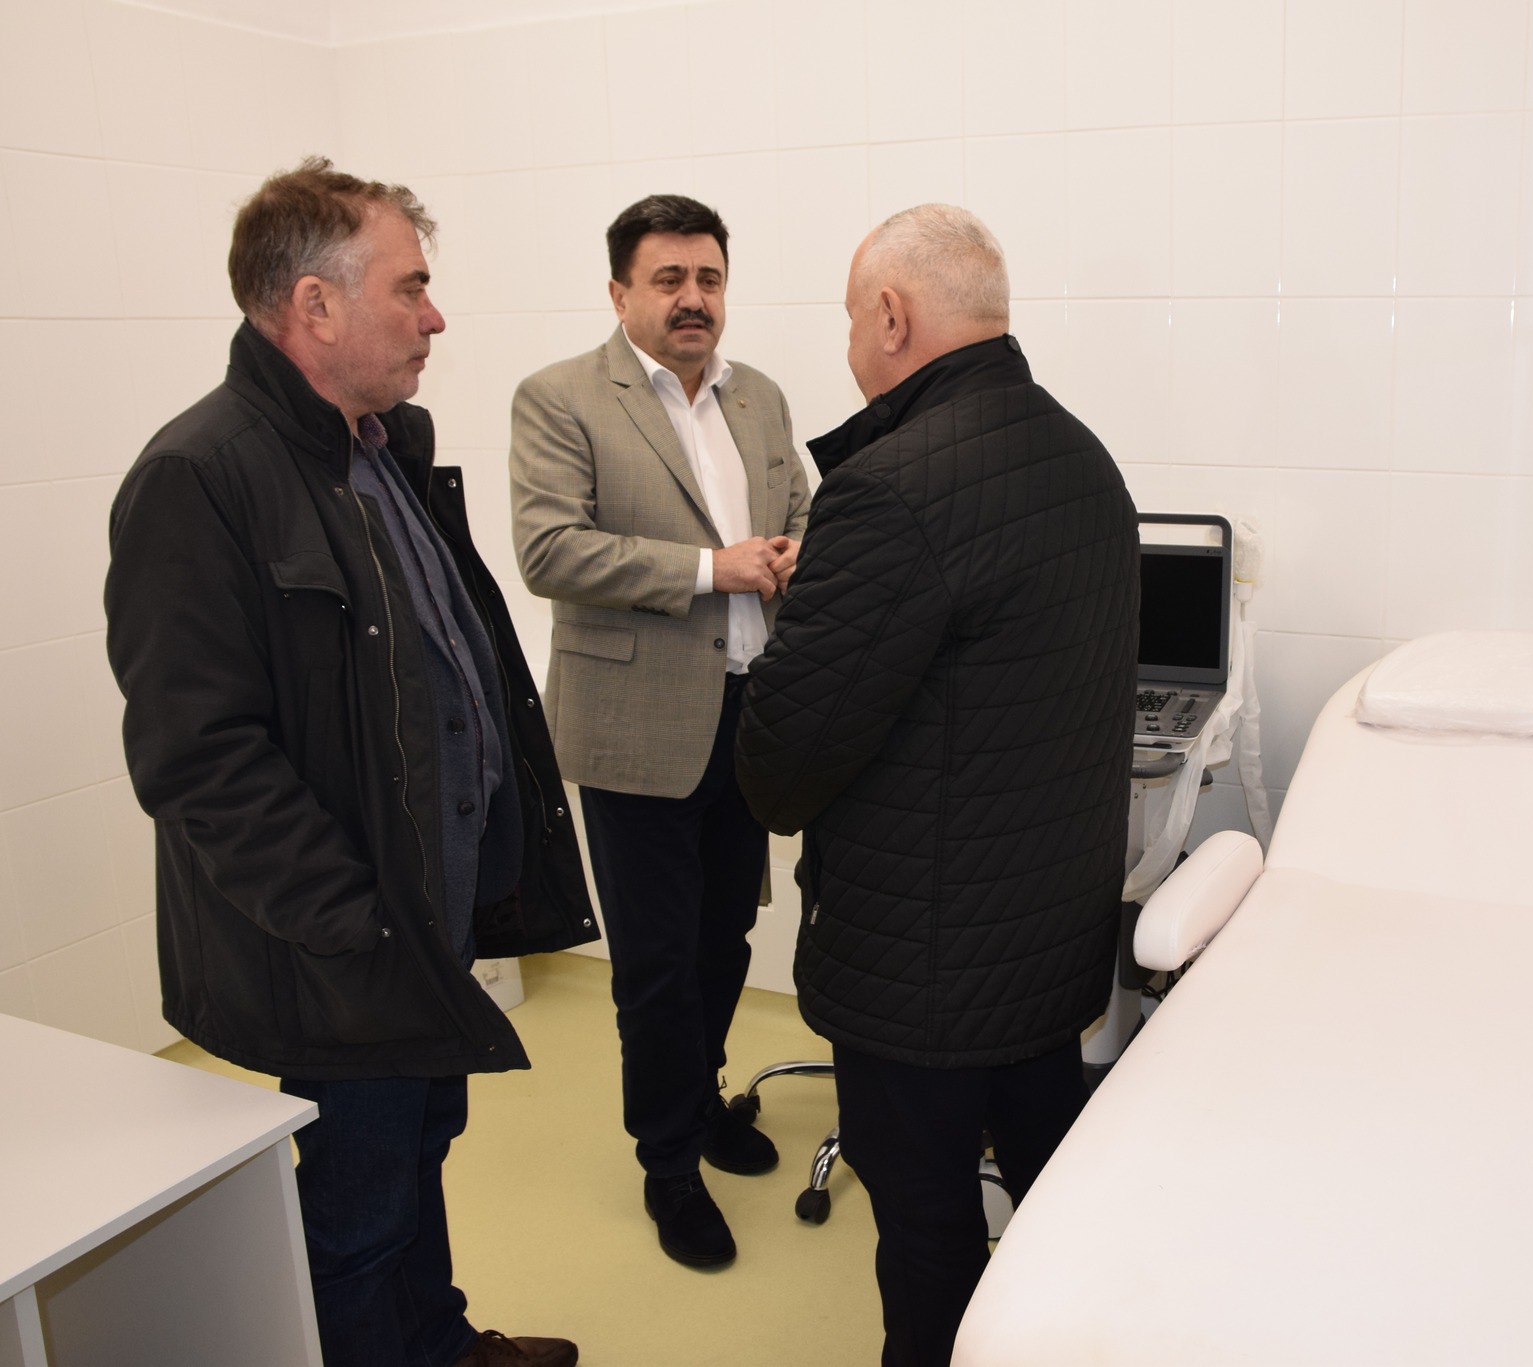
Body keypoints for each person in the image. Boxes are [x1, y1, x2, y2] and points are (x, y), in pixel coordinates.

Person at [104, 157, 593, 1367]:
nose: (435, 316)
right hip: (344, 942)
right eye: (409, 287)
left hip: (422, 917)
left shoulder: (379, 450)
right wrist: (352, 920)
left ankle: (438, 1340)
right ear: (313, 306)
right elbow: (196, 754)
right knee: (356, 1215)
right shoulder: (199, 477)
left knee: (420, 1146)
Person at [735, 204, 1141, 1366]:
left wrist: (803, 625)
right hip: (1041, 947)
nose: (847, 348)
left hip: (920, 970)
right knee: (1050, 1208)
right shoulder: (1085, 461)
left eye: (848, 321)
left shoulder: (888, 490)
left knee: (925, 1234)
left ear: (890, 316)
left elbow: (781, 766)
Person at [509, 194, 811, 1269]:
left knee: (723, 937)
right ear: (619, 292)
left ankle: (704, 1098)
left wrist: (794, 552)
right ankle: (668, 1163)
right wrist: (708, 568)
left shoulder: (759, 397)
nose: (694, 299)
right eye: (669, 279)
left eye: (709, 279)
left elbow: (801, 511)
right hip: (633, 724)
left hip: (747, 715)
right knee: (654, 964)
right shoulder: (559, 398)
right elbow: (549, 550)